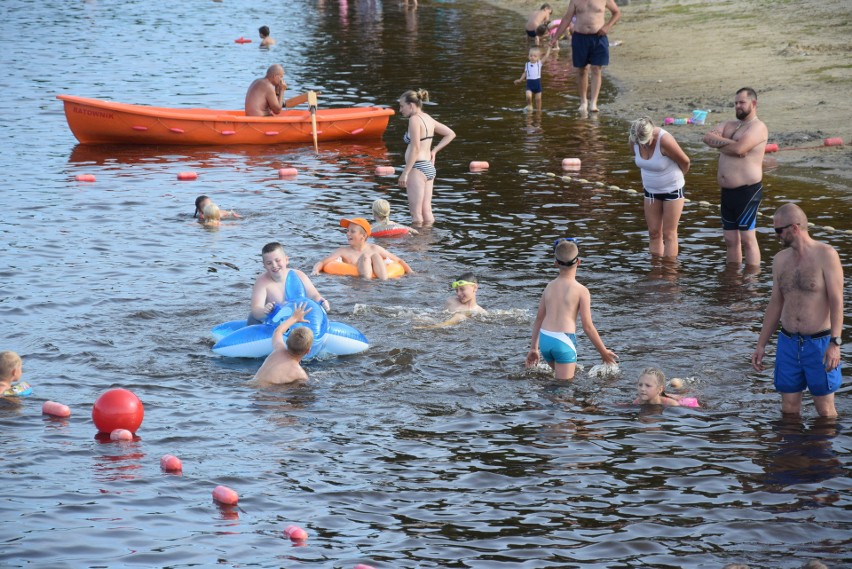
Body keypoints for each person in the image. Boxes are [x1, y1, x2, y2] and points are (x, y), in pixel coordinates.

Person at [751, 204, 843, 418]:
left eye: (778, 230)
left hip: (819, 343)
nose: (777, 236)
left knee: (825, 409)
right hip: (788, 342)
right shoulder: (780, 260)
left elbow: (837, 302)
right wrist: (761, 344)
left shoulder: (826, 255)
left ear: (794, 227)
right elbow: (775, 303)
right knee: (789, 408)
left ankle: (823, 449)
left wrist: (835, 343)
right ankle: (791, 451)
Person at [526, 238, 618, 380]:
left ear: (556, 263)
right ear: (579, 262)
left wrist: (534, 348)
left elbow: (539, 318)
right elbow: (588, 327)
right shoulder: (581, 290)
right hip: (563, 341)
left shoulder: (549, 287)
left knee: (556, 386)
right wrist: (603, 352)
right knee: (564, 392)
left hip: (545, 340)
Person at [702, 87, 769, 266]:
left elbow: (741, 150)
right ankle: (733, 282)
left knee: (747, 239)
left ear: (753, 104)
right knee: (730, 240)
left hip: (747, 191)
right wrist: (733, 144)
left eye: (742, 103)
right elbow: (707, 138)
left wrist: (723, 144)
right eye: (736, 103)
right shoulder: (729, 124)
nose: (738, 106)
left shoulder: (758, 127)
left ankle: (751, 283)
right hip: (727, 191)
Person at [628, 116, 691, 258]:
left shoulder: (665, 140)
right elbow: (636, 155)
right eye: (639, 143)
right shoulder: (634, 139)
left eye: (645, 142)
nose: (642, 146)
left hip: (673, 189)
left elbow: (685, 162)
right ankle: (656, 271)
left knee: (669, 233)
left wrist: (675, 179)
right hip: (650, 190)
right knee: (654, 232)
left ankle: (669, 274)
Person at [549, 0, 621, 114]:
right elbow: (567, 18)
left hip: (598, 37)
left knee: (596, 69)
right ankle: (583, 102)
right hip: (579, 37)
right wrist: (555, 37)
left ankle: (593, 102)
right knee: (582, 70)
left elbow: (617, 12)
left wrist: (607, 26)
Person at [397, 89, 456, 226]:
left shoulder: (414, 120)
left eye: (402, 106)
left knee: (416, 214)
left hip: (417, 168)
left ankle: (417, 245)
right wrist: (434, 151)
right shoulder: (428, 118)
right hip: (429, 168)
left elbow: (416, 148)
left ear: (411, 105)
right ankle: (428, 243)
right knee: (427, 211)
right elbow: (450, 134)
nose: (400, 110)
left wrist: (405, 173)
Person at [249, 242, 329, 325]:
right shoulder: (262, 283)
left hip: (296, 320)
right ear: (264, 265)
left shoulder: (299, 275)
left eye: (277, 260)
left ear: (286, 260)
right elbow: (256, 309)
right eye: (269, 263)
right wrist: (265, 311)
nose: (274, 265)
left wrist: (322, 302)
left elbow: (314, 295)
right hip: (274, 323)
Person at [311, 218, 413, 280]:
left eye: (352, 231)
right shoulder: (343, 251)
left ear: (363, 236)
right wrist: (315, 270)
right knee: (365, 257)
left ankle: (384, 284)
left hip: (378, 282)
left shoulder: (375, 248)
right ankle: (366, 283)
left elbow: (399, 260)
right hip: (359, 283)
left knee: (375, 256)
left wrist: (411, 272)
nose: (348, 234)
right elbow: (322, 262)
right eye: (348, 231)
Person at [249, 302, 313, 386]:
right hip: (265, 395)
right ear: (308, 350)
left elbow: (278, 331)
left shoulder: (278, 350)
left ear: (286, 342)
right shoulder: (300, 374)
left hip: (250, 385)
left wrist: (294, 318)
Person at [514, 46, 553, 112]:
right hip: (529, 85)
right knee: (528, 96)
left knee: (538, 100)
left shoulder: (539, 63)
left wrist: (549, 48)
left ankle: (539, 112)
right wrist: (520, 80)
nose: (532, 57)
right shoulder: (527, 64)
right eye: (531, 55)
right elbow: (525, 73)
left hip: (537, 85)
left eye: (535, 56)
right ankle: (530, 105)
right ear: (528, 56)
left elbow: (546, 56)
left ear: (538, 57)